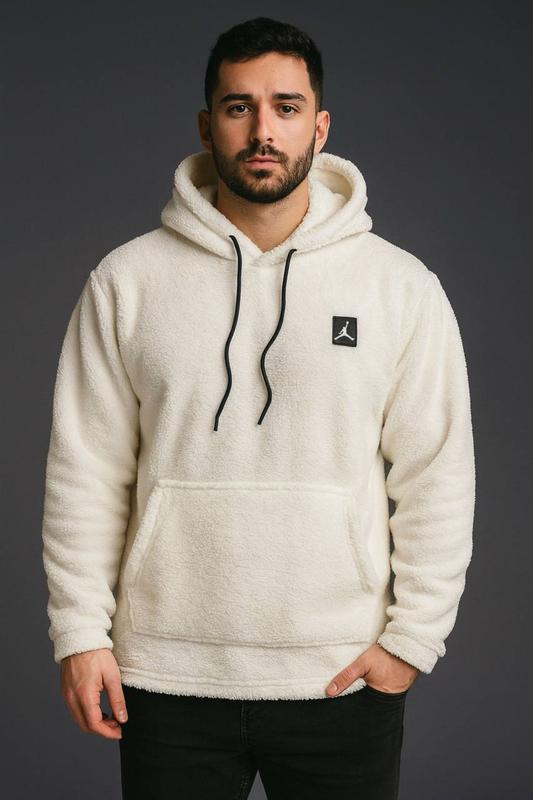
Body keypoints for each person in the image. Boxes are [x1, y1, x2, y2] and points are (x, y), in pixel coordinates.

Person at [41, 15, 476, 800]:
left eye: (286, 106)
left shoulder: (399, 288)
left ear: (320, 126)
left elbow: (436, 473)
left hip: (341, 675)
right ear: (207, 125)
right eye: (238, 107)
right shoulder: (127, 282)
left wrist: (412, 640)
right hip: (165, 675)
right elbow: (86, 471)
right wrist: (78, 633)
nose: (262, 131)